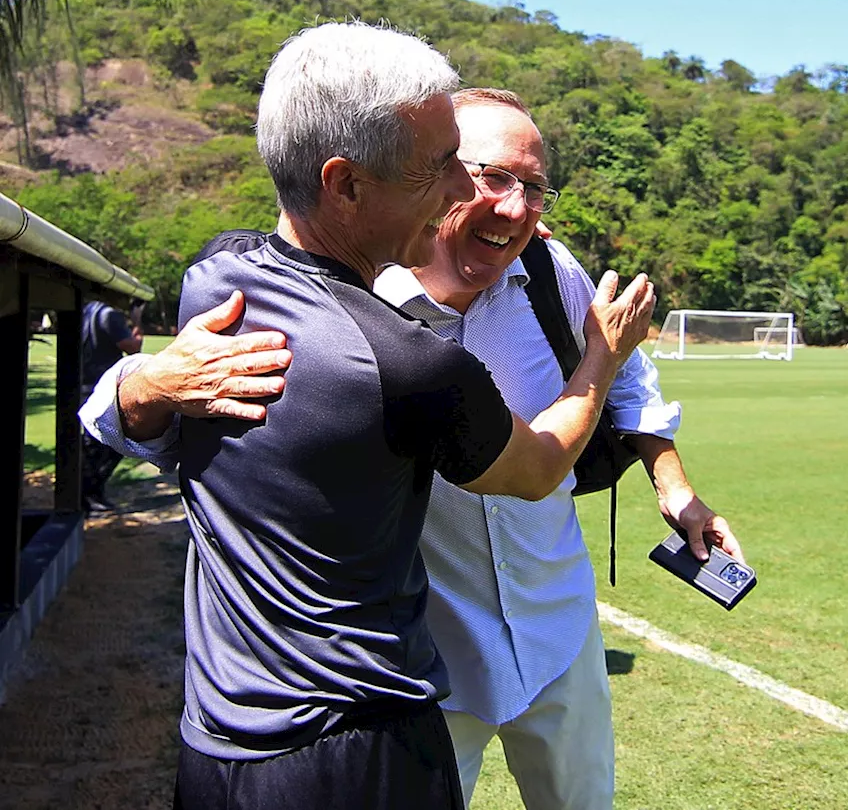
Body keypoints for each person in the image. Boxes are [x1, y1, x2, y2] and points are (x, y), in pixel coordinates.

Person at [84, 86, 736, 810]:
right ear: (442, 176)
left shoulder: (555, 274)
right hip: (426, 668)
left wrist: (674, 488)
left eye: (535, 188)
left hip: (559, 632)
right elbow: (151, 403)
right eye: (493, 178)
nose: (517, 209)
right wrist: (141, 388)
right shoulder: (347, 298)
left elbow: (627, 371)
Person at [79, 298, 143, 511]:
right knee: (113, 443)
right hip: (103, 389)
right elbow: (133, 347)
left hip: (82, 384)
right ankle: (90, 492)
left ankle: (86, 492)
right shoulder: (108, 315)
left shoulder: (86, 310)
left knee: (90, 444)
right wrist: (137, 323)